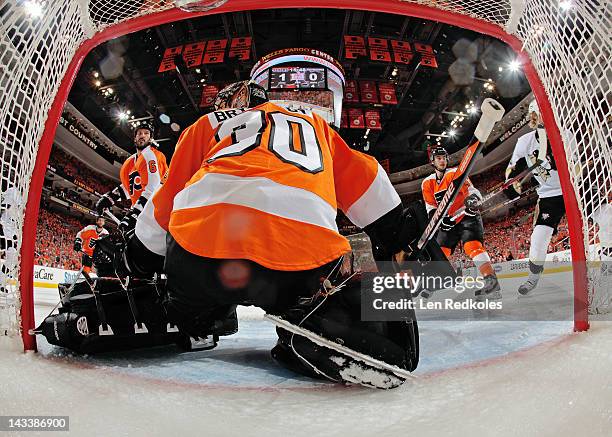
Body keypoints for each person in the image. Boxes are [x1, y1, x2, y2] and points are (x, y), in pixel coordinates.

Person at [103, 79, 437, 386]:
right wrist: (397, 237)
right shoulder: (315, 124)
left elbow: (165, 204)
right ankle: (316, 326)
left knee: (189, 310)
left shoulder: (205, 125)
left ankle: (201, 320)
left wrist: (134, 260)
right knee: (323, 298)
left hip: (201, 252)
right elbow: (370, 182)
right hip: (300, 257)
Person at [421, 146, 501, 298]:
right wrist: (440, 220)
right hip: (447, 221)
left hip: (466, 215)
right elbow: (431, 208)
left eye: (444, 157)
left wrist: (472, 200)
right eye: (438, 158)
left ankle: (492, 282)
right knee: (440, 252)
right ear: (433, 161)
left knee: (472, 246)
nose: (442, 160)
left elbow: (472, 191)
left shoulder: (455, 172)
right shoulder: (427, 183)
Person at [505, 100, 565, 295]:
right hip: (550, 195)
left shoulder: (565, 135)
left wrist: (559, 164)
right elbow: (511, 168)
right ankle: (533, 278)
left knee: (605, 216)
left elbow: (578, 169)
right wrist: (512, 180)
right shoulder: (525, 142)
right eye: (537, 115)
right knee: (538, 238)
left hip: (574, 190)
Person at [95, 121, 168, 232]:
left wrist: (135, 213)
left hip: (159, 214)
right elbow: (132, 187)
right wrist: (111, 198)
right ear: (135, 138)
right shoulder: (130, 162)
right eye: (139, 133)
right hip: (144, 216)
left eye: (146, 133)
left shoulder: (152, 156)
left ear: (151, 138)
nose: (142, 135)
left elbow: (153, 188)